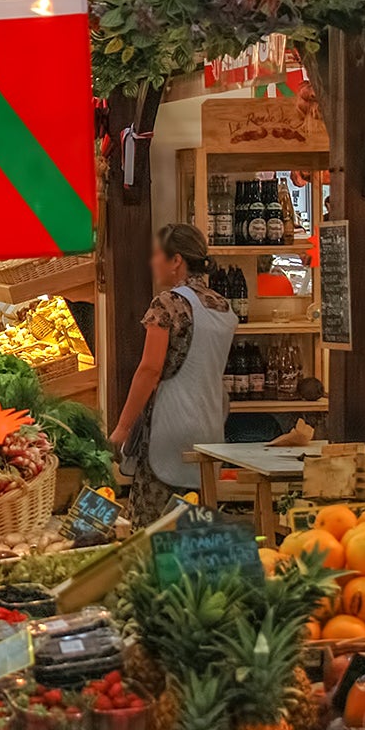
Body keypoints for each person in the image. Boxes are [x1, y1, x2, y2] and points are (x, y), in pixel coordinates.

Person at [110, 223, 237, 525]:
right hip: (210, 427)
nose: (153, 262)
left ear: (176, 260)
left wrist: (123, 428)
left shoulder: (167, 304)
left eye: (157, 255)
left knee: (154, 527)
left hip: (170, 428)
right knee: (195, 525)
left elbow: (150, 370)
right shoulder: (222, 305)